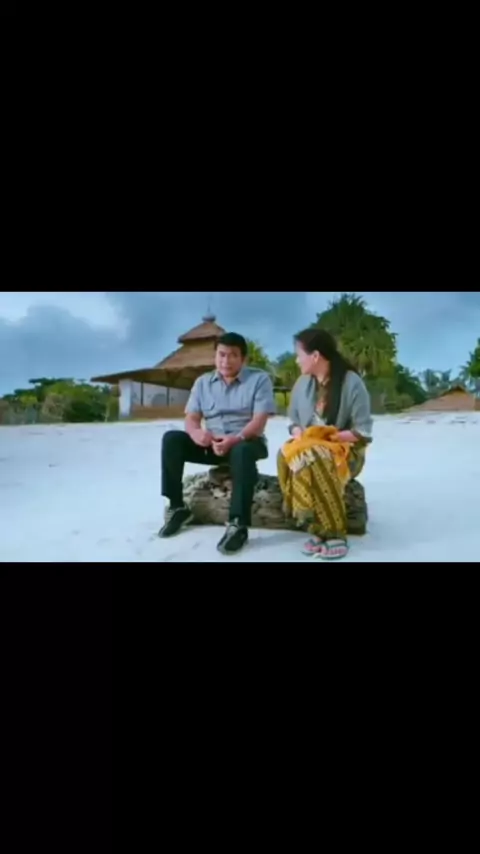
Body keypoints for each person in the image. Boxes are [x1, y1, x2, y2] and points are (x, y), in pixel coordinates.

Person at [159, 332, 276, 554]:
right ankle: (177, 507)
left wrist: (235, 439)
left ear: (243, 359)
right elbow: (192, 419)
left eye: (233, 355)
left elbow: (259, 422)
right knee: (172, 439)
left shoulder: (259, 379)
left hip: (246, 442)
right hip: (213, 444)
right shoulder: (203, 383)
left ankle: (238, 524)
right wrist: (197, 434)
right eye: (221, 355)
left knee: (242, 450)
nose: (226, 361)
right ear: (215, 356)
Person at [277, 328, 373, 560]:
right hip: (310, 446)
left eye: (299, 355)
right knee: (287, 454)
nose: (297, 360)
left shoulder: (352, 383)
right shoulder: (302, 384)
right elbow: (293, 423)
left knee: (316, 456)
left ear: (315, 356)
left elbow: (362, 432)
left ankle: (334, 532)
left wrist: (328, 437)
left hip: (346, 452)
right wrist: (299, 433)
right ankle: (315, 528)